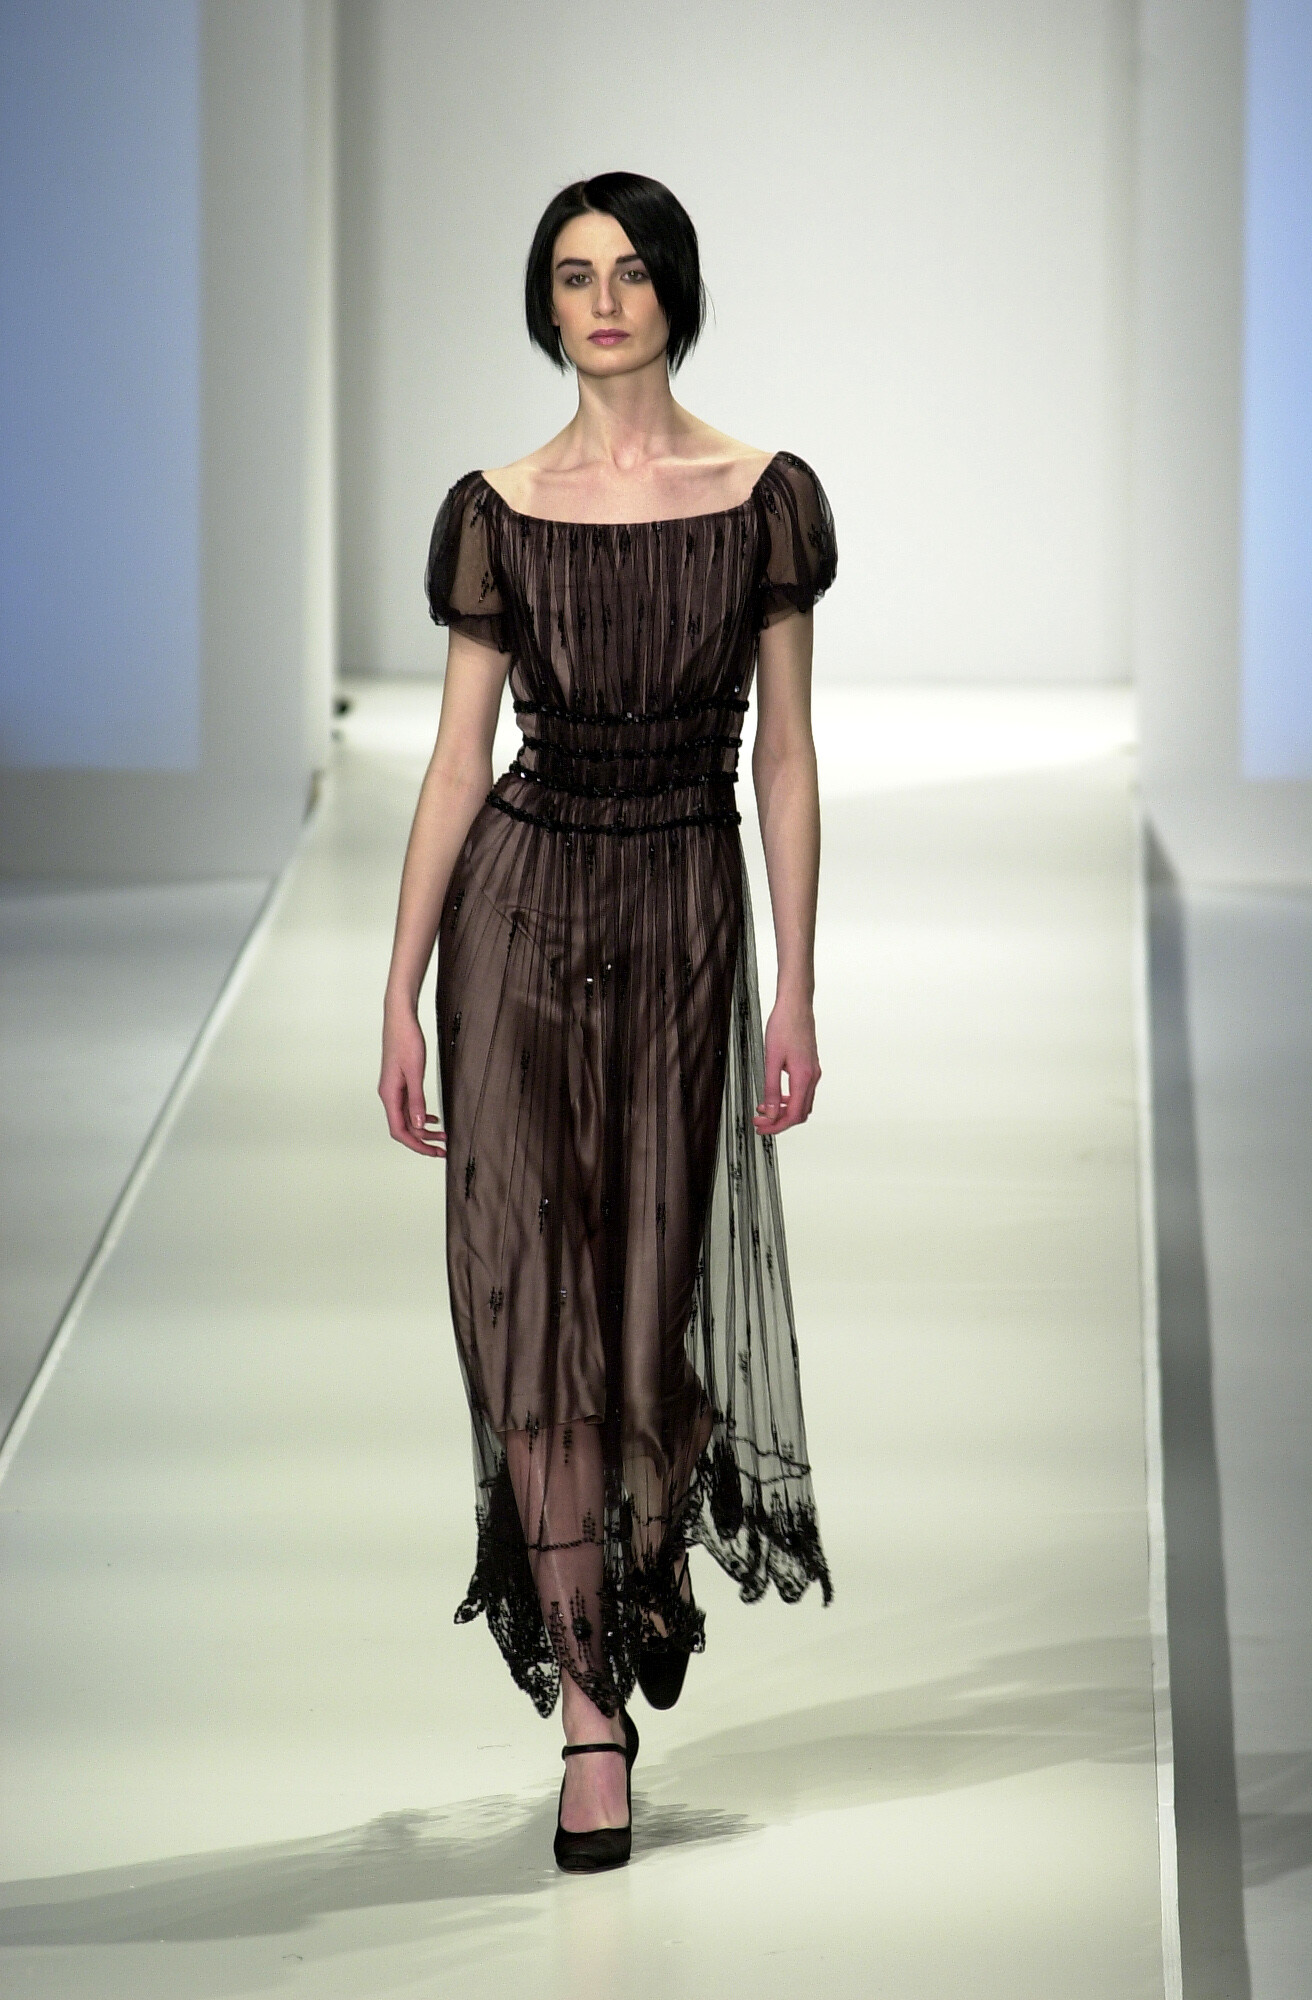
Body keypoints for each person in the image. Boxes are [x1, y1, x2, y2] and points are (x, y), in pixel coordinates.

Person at [379, 171, 834, 1873]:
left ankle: (647, 1522)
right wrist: (398, 987)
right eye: (575, 276)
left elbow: (785, 754)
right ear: (545, 305)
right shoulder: (496, 509)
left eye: (632, 271)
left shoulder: (762, 501)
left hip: (681, 913)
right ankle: (589, 1718)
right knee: (527, 1310)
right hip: (518, 914)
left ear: (675, 293)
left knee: (645, 1331)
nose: (605, 300)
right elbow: (455, 762)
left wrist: (799, 985)